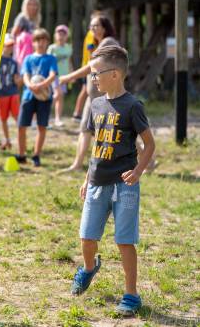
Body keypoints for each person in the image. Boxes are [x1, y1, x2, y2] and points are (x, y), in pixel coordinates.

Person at [72, 45, 155, 316]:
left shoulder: (133, 106)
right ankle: (88, 267)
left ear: (116, 74)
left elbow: (149, 145)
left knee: (124, 240)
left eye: (96, 73)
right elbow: (98, 145)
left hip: (125, 185)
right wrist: (87, 178)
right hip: (97, 181)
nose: (93, 79)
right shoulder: (96, 105)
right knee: (87, 237)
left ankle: (131, 295)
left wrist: (138, 171)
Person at [59, 15, 118, 172]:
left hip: (105, 97)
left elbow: (92, 66)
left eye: (95, 26)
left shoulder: (109, 42)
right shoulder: (99, 44)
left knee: (119, 131)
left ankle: (148, 160)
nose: (92, 29)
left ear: (104, 27)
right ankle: (77, 165)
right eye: (91, 26)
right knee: (85, 128)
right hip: (93, 96)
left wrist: (68, 77)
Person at [16, 28, 58, 166]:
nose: (40, 43)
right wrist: (29, 85)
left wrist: (42, 85)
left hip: (44, 97)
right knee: (21, 125)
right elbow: (25, 75)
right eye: (37, 40)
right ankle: (21, 155)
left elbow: (52, 75)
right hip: (28, 95)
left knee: (42, 126)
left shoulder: (51, 59)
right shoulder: (28, 58)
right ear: (33, 43)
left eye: (43, 40)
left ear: (47, 42)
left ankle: (36, 155)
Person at [0, 33, 21, 150]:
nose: (10, 47)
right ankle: (7, 140)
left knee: (17, 117)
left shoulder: (14, 62)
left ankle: (22, 140)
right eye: (8, 45)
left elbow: (16, 79)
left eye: (12, 45)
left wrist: (23, 79)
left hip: (13, 93)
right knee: (3, 118)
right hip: (1, 94)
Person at [48, 24, 73, 127]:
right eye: (59, 33)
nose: (61, 36)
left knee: (60, 97)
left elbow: (69, 61)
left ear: (67, 36)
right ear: (55, 35)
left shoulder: (68, 48)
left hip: (64, 76)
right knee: (57, 94)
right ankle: (45, 114)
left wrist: (71, 73)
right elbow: (48, 61)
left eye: (63, 34)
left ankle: (57, 118)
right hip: (53, 75)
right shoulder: (52, 48)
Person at [12, 0, 41, 68]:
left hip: (33, 51)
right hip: (21, 53)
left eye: (34, 4)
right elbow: (14, 35)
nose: (32, 7)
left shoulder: (37, 19)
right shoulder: (22, 18)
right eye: (30, 4)